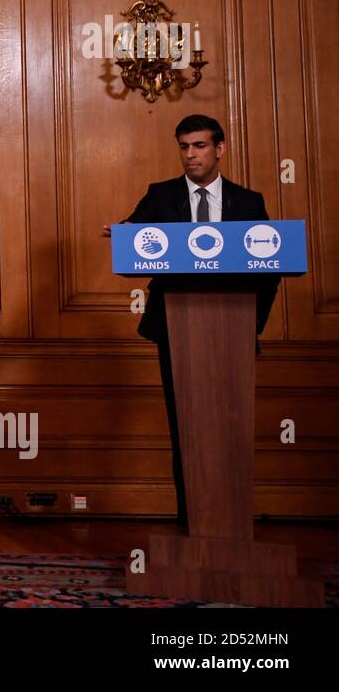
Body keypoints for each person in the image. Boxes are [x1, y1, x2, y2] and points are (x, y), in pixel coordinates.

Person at [115, 113, 279, 528]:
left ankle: (232, 524)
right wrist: (123, 234)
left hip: (234, 331)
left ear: (219, 149)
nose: (191, 155)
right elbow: (135, 235)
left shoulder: (249, 202)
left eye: (200, 146)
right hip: (177, 331)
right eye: (184, 147)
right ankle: (191, 524)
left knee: (230, 429)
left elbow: (270, 269)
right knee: (185, 427)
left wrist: (250, 328)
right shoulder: (161, 195)